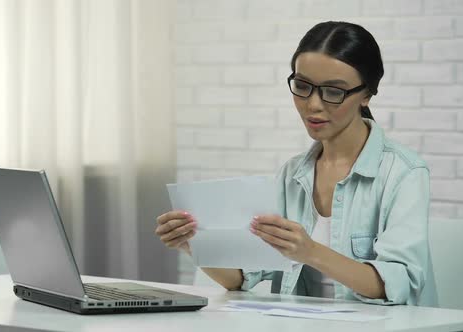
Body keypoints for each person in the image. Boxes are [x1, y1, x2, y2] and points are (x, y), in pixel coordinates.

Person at [155, 21, 437, 306]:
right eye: (302, 86)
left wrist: (310, 251)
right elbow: (243, 277)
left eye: (333, 91)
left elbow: (399, 283)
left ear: (366, 94)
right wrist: (193, 244)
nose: (313, 104)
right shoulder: (292, 173)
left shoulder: (404, 172)